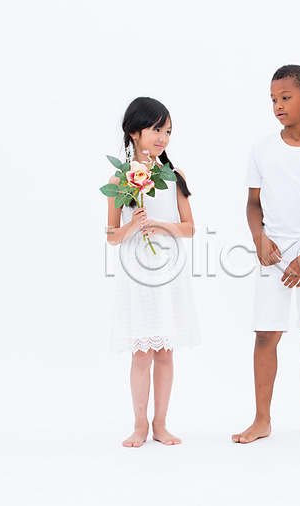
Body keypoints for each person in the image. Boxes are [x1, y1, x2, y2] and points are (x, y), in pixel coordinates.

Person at [232, 65, 300, 444]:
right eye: (273, 100)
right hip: (273, 252)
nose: (277, 105)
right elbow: (253, 203)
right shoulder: (263, 149)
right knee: (266, 334)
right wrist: (259, 238)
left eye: (285, 98)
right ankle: (261, 419)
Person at [105, 97, 200, 447]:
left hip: (169, 271)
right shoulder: (120, 179)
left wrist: (160, 225)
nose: (163, 137)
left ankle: (161, 424)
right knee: (142, 352)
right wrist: (133, 225)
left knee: (165, 351)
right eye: (157, 129)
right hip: (137, 274)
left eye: (168, 131)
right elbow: (112, 235)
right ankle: (139, 425)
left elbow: (190, 228)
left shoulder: (174, 176)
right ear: (134, 132)